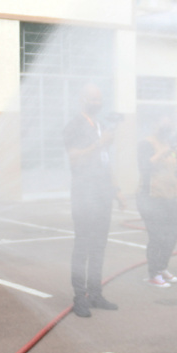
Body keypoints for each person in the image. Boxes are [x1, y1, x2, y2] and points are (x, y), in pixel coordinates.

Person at [64, 84, 123, 317]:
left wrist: (116, 190)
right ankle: (80, 296)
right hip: (84, 194)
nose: (97, 103)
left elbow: (106, 160)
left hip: (103, 194)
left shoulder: (101, 126)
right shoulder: (74, 126)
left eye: (99, 99)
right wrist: (99, 143)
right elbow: (74, 158)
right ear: (82, 100)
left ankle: (95, 293)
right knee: (83, 246)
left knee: (99, 246)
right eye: (93, 99)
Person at [136, 115, 177, 288]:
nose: (167, 126)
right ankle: (153, 274)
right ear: (155, 124)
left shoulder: (171, 146)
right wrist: (163, 151)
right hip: (150, 197)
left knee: (172, 235)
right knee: (157, 236)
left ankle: (162, 267)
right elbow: (145, 167)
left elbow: (175, 173)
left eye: (170, 123)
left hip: (169, 198)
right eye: (164, 123)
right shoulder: (146, 144)